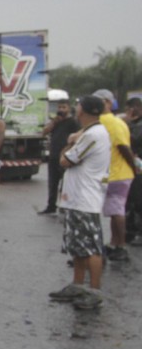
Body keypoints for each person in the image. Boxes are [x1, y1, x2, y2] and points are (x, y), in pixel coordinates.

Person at [49, 95, 111, 311]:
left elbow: (66, 160)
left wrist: (67, 145)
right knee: (77, 245)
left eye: (78, 105)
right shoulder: (90, 132)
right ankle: (77, 285)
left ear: (83, 110)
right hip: (77, 198)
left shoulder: (93, 135)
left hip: (86, 198)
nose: (75, 108)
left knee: (91, 247)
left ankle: (94, 291)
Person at [92, 89, 137, 262]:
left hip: (117, 174)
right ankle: (115, 243)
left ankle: (120, 246)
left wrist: (133, 167)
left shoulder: (108, 122)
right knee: (114, 210)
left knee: (117, 211)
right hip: (113, 173)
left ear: (108, 103)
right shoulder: (113, 122)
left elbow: (123, 147)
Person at [40, 99, 80, 215]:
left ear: (68, 109)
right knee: (52, 183)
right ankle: (51, 206)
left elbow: (77, 138)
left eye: (64, 107)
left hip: (66, 157)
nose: (61, 110)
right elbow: (44, 132)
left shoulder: (73, 122)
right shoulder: (55, 122)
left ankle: (66, 206)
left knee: (66, 183)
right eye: (60, 107)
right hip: (53, 156)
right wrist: (54, 123)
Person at [125, 97, 142, 243]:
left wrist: (128, 124)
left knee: (137, 200)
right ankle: (130, 231)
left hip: (139, 165)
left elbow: (134, 140)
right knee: (132, 199)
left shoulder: (137, 125)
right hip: (134, 165)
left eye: (130, 108)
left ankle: (137, 232)